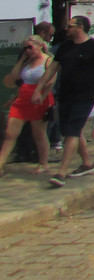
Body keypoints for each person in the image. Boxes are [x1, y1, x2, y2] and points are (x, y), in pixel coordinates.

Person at [32, 15, 94, 187]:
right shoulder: (65, 48)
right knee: (71, 131)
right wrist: (39, 89)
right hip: (66, 95)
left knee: (72, 132)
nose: (67, 29)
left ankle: (61, 172)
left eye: (70, 26)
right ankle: (87, 163)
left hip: (86, 96)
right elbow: (52, 69)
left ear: (80, 27)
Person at [0, 35, 54, 177]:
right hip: (22, 99)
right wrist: (22, 59)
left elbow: (50, 82)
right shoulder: (27, 61)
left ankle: (43, 163)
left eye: (30, 47)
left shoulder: (48, 60)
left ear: (40, 45)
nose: (27, 50)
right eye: (25, 48)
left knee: (38, 133)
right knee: (10, 134)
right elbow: (15, 77)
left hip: (39, 98)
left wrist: (42, 97)